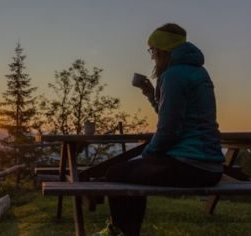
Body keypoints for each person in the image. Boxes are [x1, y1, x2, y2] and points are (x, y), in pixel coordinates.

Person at [93, 23, 225, 236]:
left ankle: (120, 231)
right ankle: (123, 231)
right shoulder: (198, 72)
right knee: (128, 172)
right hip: (210, 165)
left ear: (163, 50)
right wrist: (150, 93)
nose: (152, 56)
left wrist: (148, 155)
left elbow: (169, 130)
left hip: (191, 166)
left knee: (116, 173)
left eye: (152, 50)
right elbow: (172, 116)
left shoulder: (173, 75)